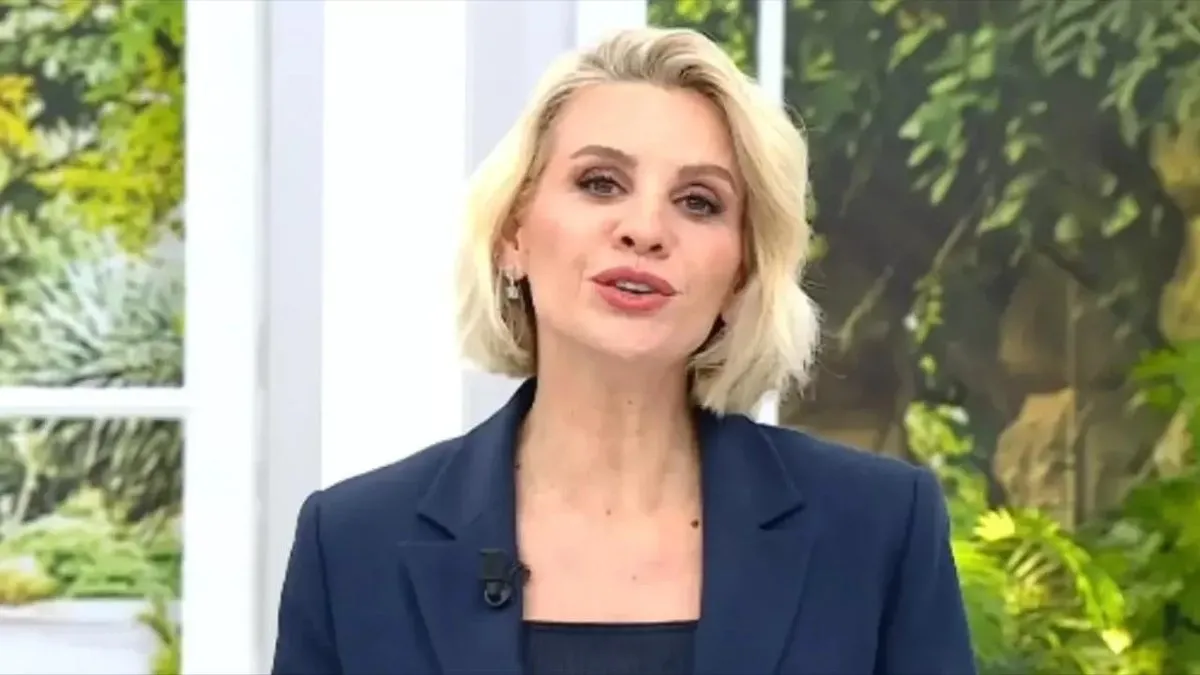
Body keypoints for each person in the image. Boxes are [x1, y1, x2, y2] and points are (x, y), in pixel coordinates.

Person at [272, 26, 976, 675]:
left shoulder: (878, 528)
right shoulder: (353, 544)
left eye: (698, 201)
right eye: (599, 183)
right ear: (514, 234)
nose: (645, 228)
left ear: (740, 275)